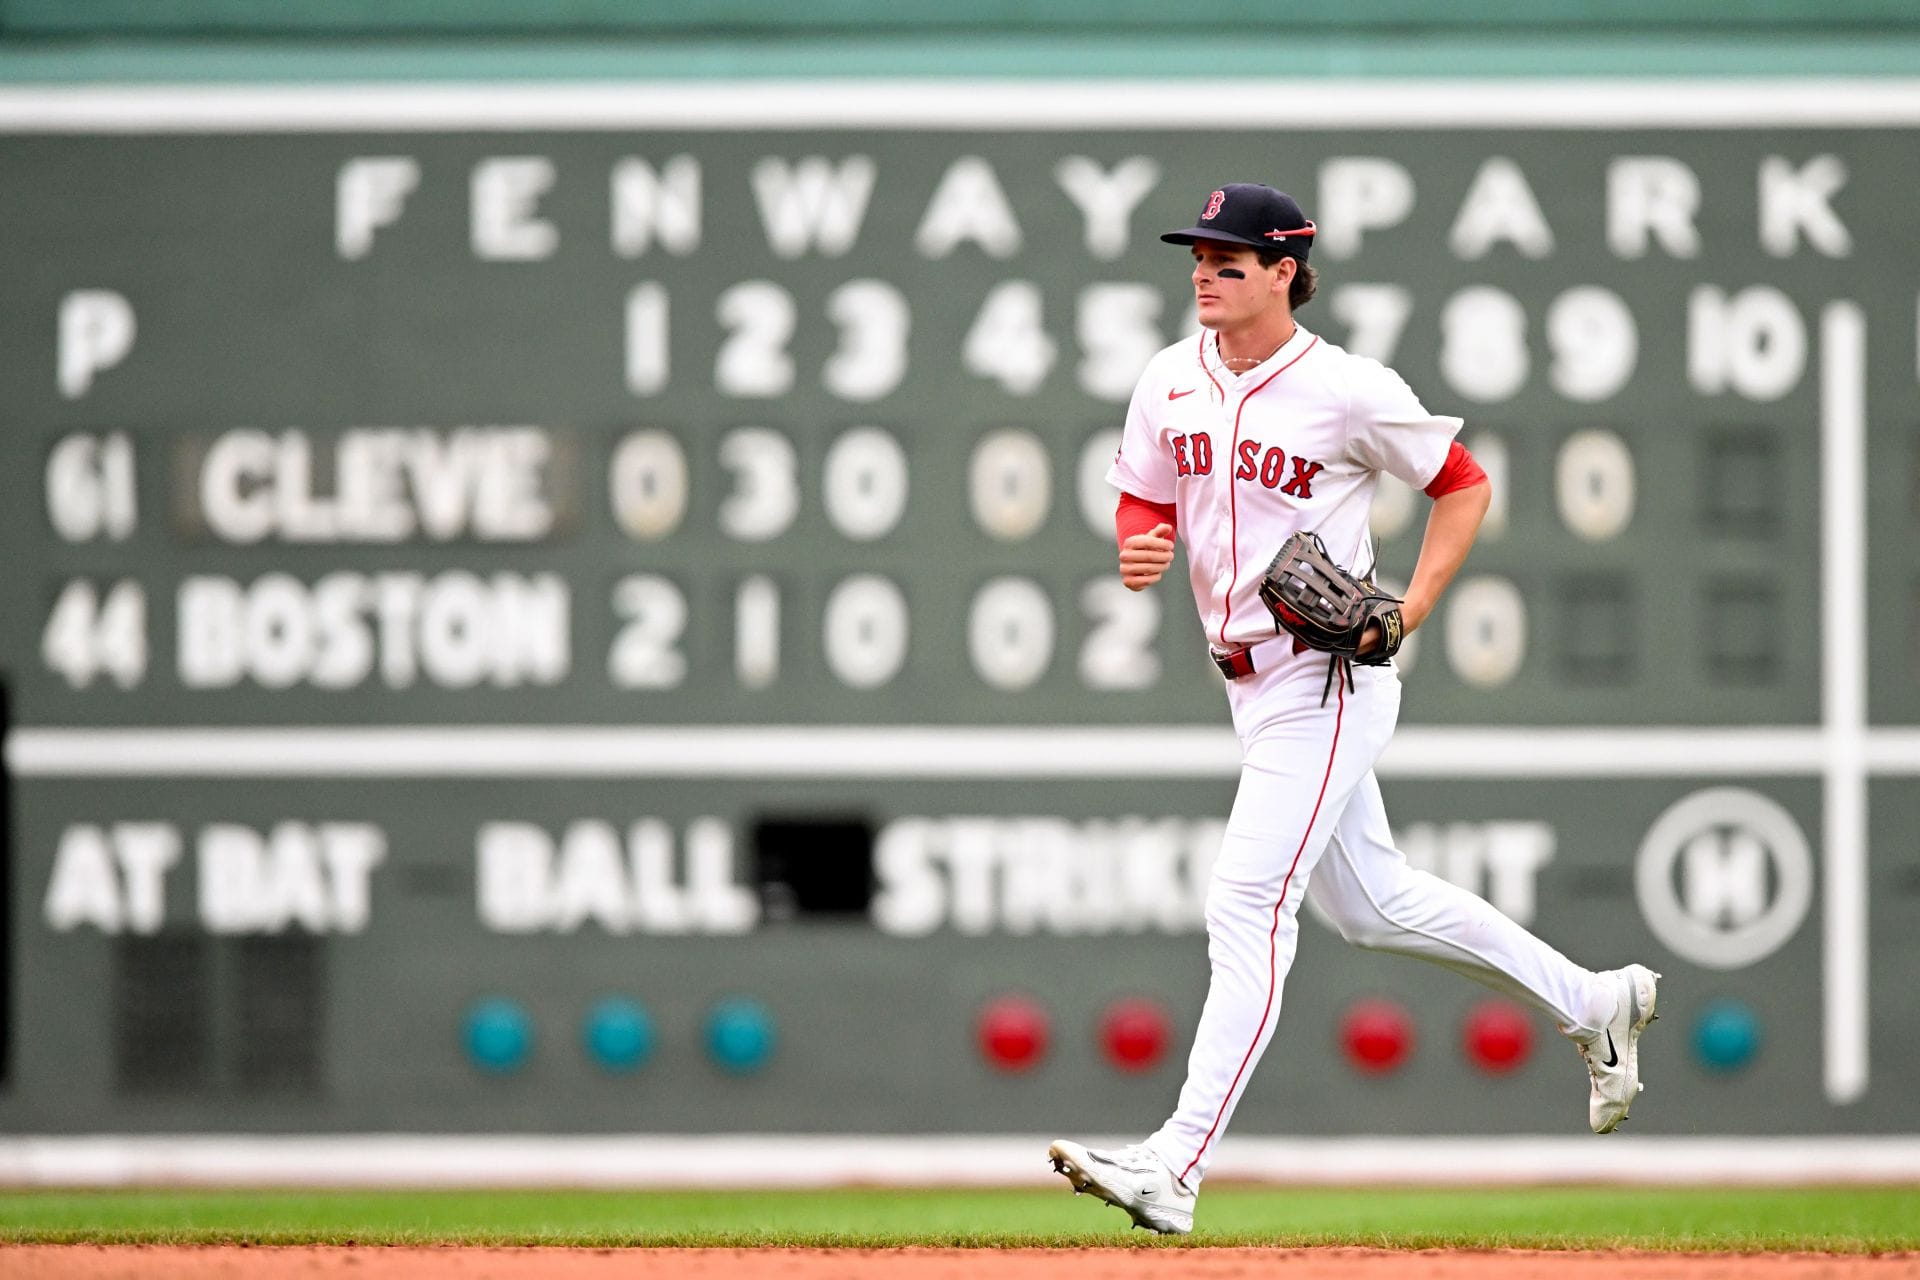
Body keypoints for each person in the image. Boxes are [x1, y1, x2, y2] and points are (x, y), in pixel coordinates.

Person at [1047, 183, 1660, 1236]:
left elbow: (1461, 483)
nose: (1203, 272)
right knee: (1373, 904)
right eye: (1198, 256)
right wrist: (1137, 539)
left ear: (1286, 271)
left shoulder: (1344, 389)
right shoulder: (1167, 380)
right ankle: (1596, 1002)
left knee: (1247, 904)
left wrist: (1411, 606)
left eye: (1229, 261)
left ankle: (1175, 1164)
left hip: (1326, 678)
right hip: (1242, 679)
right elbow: (1145, 491)